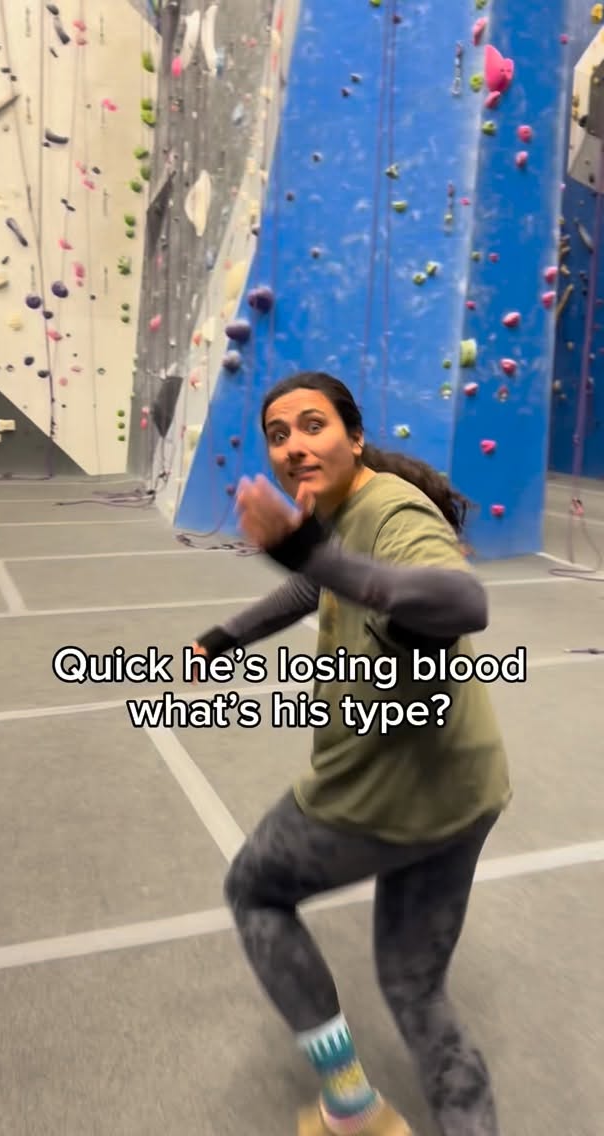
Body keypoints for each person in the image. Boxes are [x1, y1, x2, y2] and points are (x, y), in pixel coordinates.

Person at [192, 372, 511, 1136]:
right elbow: (320, 585)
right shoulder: (340, 512)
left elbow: (464, 602)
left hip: (377, 796)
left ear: (356, 437)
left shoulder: (392, 509)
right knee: (414, 986)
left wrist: (307, 549)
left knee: (255, 891)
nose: (294, 446)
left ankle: (350, 1102)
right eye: (278, 435)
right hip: (464, 789)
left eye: (314, 425)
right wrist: (227, 636)